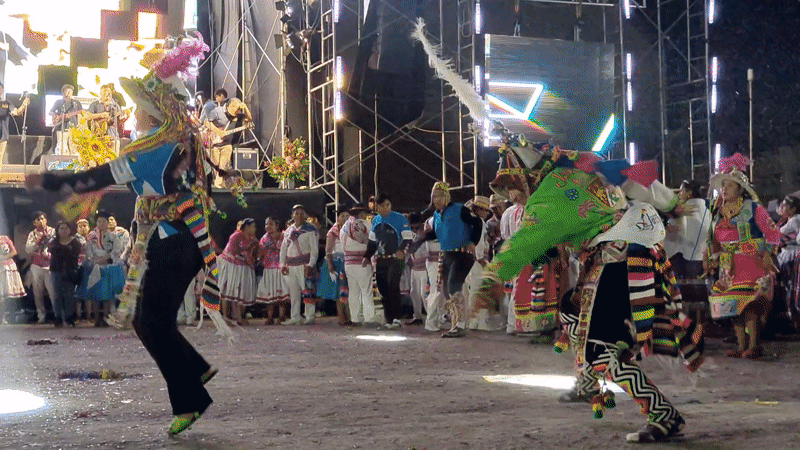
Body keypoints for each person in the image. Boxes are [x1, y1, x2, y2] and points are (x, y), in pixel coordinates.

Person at [26, 33, 226, 435]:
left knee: (150, 322)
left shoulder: (149, 152)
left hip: (172, 242)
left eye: (139, 112)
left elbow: (94, 178)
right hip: (184, 239)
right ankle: (195, 370)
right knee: (151, 320)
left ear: (153, 114)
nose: (134, 118)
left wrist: (46, 181)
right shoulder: (180, 142)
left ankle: (190, 398)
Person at [477, 141, 703, 443]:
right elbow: (631, 178)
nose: (513, 196)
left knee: (599, 350)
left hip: (616, 259)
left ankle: (662, 413)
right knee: (572, 309)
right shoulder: (580, 170)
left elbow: (526, 239)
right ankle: (588, 381)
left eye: (513, 186)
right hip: (626, 254)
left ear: (530, 177)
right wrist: (670, 204)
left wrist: (489, 279)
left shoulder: (549, 194)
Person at [705, 153, 780, 359]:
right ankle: (741, 345)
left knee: (748, 305)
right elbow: (713, 238)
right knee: (732, 306)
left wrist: (768, 253)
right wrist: (711, 257)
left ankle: (754, 345)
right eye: (723, 185)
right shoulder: (718, 212)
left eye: (729, 185)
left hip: (751, 262)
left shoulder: (754, 208)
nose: (724, 189)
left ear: (740, 190)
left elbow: (772, 232)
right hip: (729, 265)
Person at [413, 182, 482, 337]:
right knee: (447, 290)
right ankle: (457, 322)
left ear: (446, 197)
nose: (437, 199)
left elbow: (477, 222)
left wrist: (473, 241)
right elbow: (436, 235)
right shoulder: (437, 216)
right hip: (447, 255)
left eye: (439, 196)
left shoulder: (459, 209)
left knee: (453, 286)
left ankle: (460, 324)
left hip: (463, 254)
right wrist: (418, 242)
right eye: (434, 196)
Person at [363, 194, 412, 329]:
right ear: (377, 207)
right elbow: (373, 242)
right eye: (382, 206)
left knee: (392, 285)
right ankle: (388, 319)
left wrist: (402, 251)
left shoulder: (400, 219)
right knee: (383, 287)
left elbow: (408, 238)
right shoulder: (376, 220)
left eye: (388, 205)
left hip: (396, 259)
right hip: (381, 259)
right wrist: (367, 256)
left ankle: (397, 318)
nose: (386, 208)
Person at [78, 210, 125, 327]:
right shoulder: (91, 236)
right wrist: (94, 259)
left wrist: (107, 258)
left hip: (108, 266)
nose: (101, 223)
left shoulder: (113, 236)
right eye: (99, 221)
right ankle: (96, 317)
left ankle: (106, 316)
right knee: (95, 293)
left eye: (104, 221)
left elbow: (117, 250)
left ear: (107, 223)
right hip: (95, 265)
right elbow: (88, 251)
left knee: (108, 293)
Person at [280, 204, 319, 325]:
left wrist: (311, 264)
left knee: (308, 290)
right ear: (292, 215)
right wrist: (282, 264)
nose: (299, 215)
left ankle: (309, 316)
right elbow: (283, 248)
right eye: (296, 213)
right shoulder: (288, 231)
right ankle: (295, 316)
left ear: (306, 215)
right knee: (294, 293)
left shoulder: (310, 230)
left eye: (302, 213)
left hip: (304, 264)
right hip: (291, 265)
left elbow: (314, 249)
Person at [218, 218, 259, 324]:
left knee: (240, 291)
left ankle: (240, 317)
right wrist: (240, 261)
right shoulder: (236, 236)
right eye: (253, 226)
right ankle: (225, 317)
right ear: (247, 227)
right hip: (231, 266)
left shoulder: (251, 239)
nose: (255, 229)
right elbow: (230, 252)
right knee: (228, 289)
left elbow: (252, 253)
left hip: (242, 267)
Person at [341, 203, 375, 325]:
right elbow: (372, 242)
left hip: (348, 263)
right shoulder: (366, 226)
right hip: (362, 262)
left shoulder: (344, 227)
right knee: (366, 291)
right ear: (361, 213)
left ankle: (354, 318)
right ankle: (369, 318)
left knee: (353, 291)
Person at [318, 207, 351, 325]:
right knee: (338, 292)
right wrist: (330, 264)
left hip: (348, 262)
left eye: (347, 216)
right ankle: (342, 318)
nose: (345, 218)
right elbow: (328, 250)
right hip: (337, 263)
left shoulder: (351, 230)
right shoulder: (333, 231)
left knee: (347, 291)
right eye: (342, 216)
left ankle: (349, 317)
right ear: (338, 217)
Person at [465, 196, 492, 331]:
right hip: (477, 262)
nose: (487, 213)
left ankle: (471, 321)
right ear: (479, 209)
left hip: (467, 261)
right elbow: (478, 244)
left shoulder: (467, 221)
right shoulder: (479, 222)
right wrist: (482, 260)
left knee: (471, 292)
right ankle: (481, 322)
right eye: (485, 210)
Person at [48, 221, 81, 327]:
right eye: (61, 228)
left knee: (69, 295)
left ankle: (69, 317)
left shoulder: (75, 242)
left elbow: (73, 254)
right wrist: (65, 250)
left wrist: (62, 251)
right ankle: (58, 317)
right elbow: (53, 251)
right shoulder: (53, 242)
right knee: (56, 295)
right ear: (57, 230)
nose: (63, 231)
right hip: (56, 271)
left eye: (66, 228)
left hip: (70, 272)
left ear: (70, 230)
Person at [256, 217, 289, 324]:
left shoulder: (284, 236)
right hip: (269, 269)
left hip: (281, 267)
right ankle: (270, 317)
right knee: (269, 294)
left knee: (281, 293)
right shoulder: (264, 239)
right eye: (266, 224)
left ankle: (282, 316)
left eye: (270, 224)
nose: (268, 227)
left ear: (277, 225)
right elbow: (259, 253)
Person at [26, 211, 56, 323]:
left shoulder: (53, 232)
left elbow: (56, 246)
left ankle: (57, 314)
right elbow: (28, 249)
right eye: (38, 219)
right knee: (37, 293)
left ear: (46, 220)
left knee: (53, 291)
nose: (41, 221)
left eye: (42, 219)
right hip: (36, 266)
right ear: (34, 223)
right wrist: (38, 242)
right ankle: (41, 315)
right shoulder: (32, 234)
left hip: (50, 266)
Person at [85, 84, 126, 155]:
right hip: (97, 137)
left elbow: (119, 119)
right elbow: (87, 116)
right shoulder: (94, 104)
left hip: (112, 136)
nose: (107, 95)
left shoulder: (115, 105)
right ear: (100, 94)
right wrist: (101, 115)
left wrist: (124, 115)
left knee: (113, 157)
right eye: (104, 93)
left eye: (109, 93)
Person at [0, 82, 30, 171]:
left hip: (3, 135)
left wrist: (24, 104)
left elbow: (16, 112)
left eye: (0, 89)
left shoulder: (6, 103)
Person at [49, 84, 83, 156]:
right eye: (67, 92)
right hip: (61, 126)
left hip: (73, 127)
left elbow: (82, 113)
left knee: (73, 148)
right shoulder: (59, 102)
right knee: (62, 147)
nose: (69, 93)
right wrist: (55, 116)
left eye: (71, 92)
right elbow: (50, 112)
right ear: (63, 93)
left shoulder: (76, 103)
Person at [423, 216, 443, 331]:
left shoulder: (429, 220)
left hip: (435, 261)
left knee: (438, 291)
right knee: (435, 291)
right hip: (435, 261)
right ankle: (430, 321)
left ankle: (436, 319)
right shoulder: (435, 220)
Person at [406, 213, 427, 325]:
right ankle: (417, 316)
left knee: (425, 294)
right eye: (412, 227)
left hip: (425, 269)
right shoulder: (411, 235)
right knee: (414, 293)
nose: (414, 229)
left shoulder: (426, 235)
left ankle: (432, 317)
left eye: (416, 227)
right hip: (415, 268)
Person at [0, 234, 25, 324]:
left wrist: (4, 257)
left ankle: (10, 317)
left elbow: (14, 251)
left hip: (8, 267)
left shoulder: (5, 238)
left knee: (8, 294)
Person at [74, 218, 91, 322]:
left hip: (90, 266)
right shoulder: (74, 239)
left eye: (85, 226)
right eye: (80, 226)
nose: (83, 228)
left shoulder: (93, 237)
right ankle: (78, 316)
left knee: (89, 292)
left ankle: (89, 316)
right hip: (78, 267)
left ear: (88, 227)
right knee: (77, 292)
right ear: (77, 229)